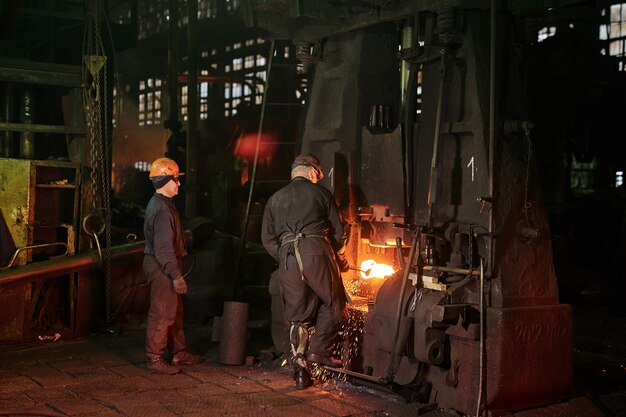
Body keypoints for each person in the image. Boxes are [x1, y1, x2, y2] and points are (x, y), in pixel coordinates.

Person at [261, 153, 349, 389]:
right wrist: (338, 257)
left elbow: (267, 239)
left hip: (287, 257)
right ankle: (319, 352)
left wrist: (283, 257)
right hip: (316, 251)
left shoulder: (274, 199)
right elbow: (340, 232)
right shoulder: (320, 193)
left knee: (298, 315)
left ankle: (300, 372)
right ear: (312, 171)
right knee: (334, 302)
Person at [144, 157, 202, 374]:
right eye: (175, 180)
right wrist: (176, 276)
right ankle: (154, 358)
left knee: (174, 311)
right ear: (164, 181)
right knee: (162, 313)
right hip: (161, 266)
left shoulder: (163, 205)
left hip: (164, 264)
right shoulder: (161, 210)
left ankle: (179, 353)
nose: (178, 184)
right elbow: (164, 248)